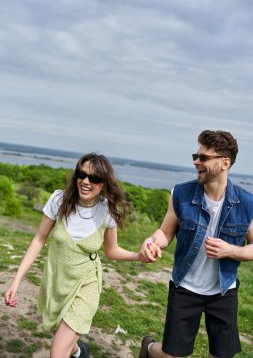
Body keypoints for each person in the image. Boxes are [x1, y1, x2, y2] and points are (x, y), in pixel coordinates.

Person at [5, 152, 140, 358]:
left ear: (103, 183)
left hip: (86, 284)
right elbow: (39, 239)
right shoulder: (59, 200)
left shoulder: (107, 211)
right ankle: (79, 352)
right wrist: (16, 281)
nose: (86, 181)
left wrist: (140, 256)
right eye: (81, 174)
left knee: (57, 353)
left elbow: (111, 251)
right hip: (57, 281)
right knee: (62, 338)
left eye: (94, 178)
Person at [138, 130, 253, 358]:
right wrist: (152, 242)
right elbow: (164, 232)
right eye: (195, 156)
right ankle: (150, 349)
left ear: (224, 163)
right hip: (185, 287)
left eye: (203, 158)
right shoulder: (180, 194)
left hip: (223, 290)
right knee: (173, 356)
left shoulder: (247, 203)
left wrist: (230, 250)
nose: (196, 162)